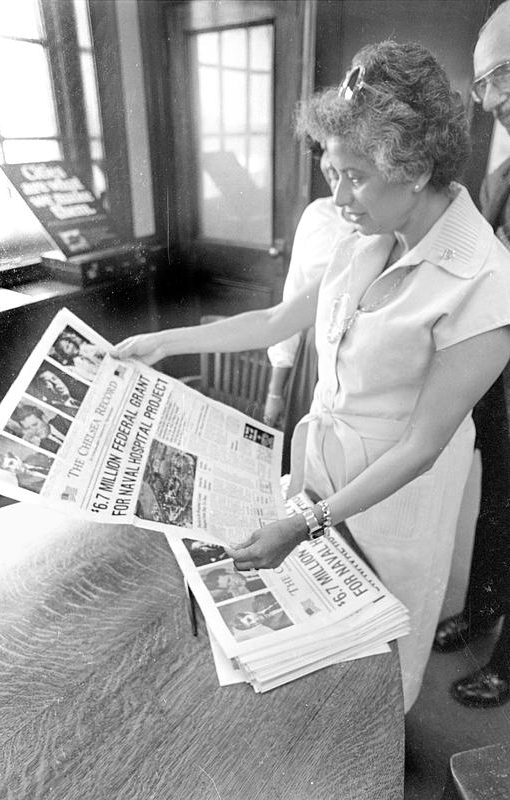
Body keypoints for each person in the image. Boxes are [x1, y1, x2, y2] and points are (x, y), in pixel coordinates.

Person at [112, 41, 510, 712]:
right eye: (330, 171)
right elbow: (277, 319)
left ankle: (380, 742)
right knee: (314, 633)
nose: (337, 196)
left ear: (412, 170)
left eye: (353, 175)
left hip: (395, 492)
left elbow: (420, 447)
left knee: (384, 641)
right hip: (322, 462)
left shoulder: (485, 280)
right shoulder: (368, 231)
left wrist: (306, 522)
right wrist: (164, 341)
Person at [433, 1, 510, 708]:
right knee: (496, 504)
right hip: (500, 380)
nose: (488, 98)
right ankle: (482, 610)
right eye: (484, 80)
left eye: (502, 75)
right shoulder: (501, 175)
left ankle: (507, 665)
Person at [264, 152, 353, 472]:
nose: (330, 163)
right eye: (325, 150)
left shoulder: (385, 227)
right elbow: (289, 303)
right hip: (311, 359)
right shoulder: (317, 215)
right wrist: (276, 392)